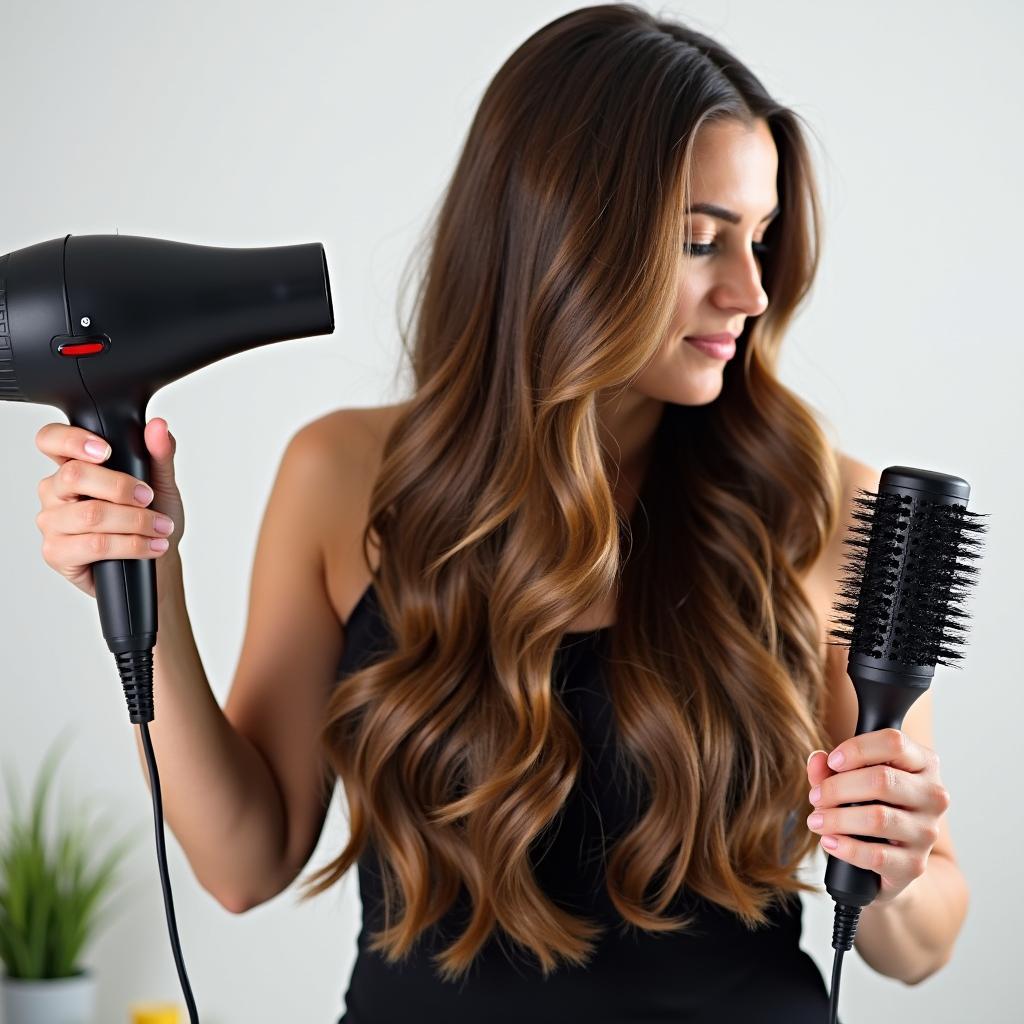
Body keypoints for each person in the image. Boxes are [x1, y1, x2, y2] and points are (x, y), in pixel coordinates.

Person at [31, 4, 966, 1021]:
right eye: (701, 240)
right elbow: (244, 863)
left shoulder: (825, 504)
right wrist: (147, 578)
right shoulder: (342, 477)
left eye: (762, 237)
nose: (748, 289)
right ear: (563, 235)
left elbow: (918, 947)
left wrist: (896, 865)